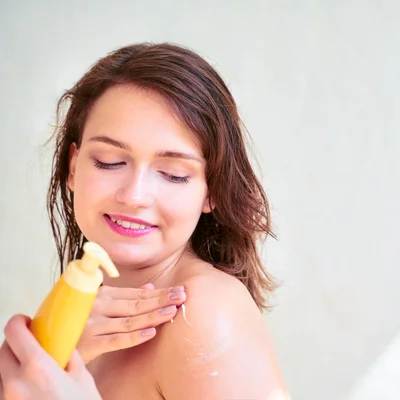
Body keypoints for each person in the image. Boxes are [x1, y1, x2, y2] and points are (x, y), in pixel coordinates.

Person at [1, 42, 289, 399]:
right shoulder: (80, 315)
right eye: (109, 161)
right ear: (73, 167)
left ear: (211, 191)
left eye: (172, 173)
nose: (134, 195)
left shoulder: (205, 313)